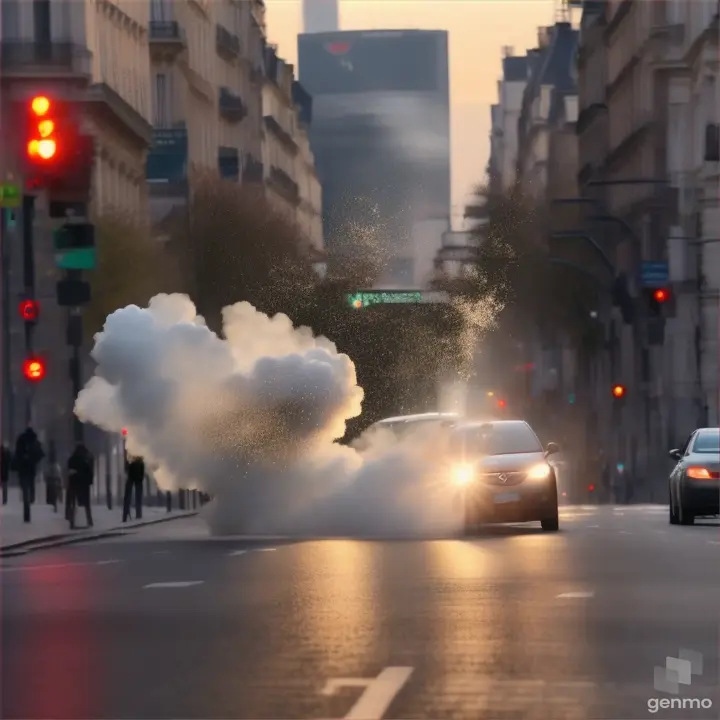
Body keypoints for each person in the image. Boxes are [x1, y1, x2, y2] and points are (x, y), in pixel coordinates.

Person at [13, 427, 44, 523]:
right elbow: (40, 454)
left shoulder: (20, 440)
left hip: (22, 469)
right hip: (31, 469)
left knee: (25, 488)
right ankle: (31, 499)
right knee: (30, 486)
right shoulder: (34, 441)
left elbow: (17, 454)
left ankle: (26, 512)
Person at [67, 443, 94, 529]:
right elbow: (89, 473)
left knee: (73, 503)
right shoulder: (86, 460)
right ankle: (89, 520)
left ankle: (72, 521)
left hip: (74, 484)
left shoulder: (72, 459)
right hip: (84, 485)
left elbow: (69, 472)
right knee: (86, 504)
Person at [123, 454, 145, 522]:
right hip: (137, 476)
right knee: (137, 497)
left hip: (132, 476)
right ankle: (138, 514)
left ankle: (125, 516)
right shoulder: (139, 460)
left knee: (128, 497)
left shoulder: (131, 457)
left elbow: (126, 468)